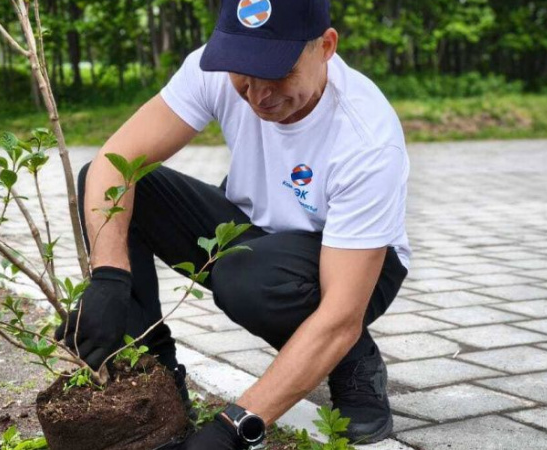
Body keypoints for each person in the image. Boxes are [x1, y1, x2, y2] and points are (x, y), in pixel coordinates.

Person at [58, 0, 410, 448]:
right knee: (112, 185)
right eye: (244, 75)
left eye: (277, 73)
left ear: (325, 47)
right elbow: (116, 162)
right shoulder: (215, 67)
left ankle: (354, 363)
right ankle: (155, 379)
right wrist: (110, 277)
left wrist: (235, 428)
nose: (259, 94)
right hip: (256, 229)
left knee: (249, 279)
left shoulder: (367, 141)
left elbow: (340, 315)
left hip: (357, 265)